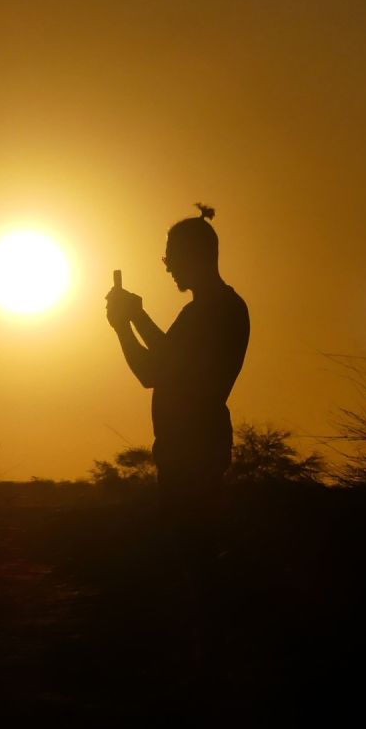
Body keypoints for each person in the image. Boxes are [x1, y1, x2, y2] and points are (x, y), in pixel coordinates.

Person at [106, 203, 250, 564]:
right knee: (195, 552)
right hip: (197, 446)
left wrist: (123, 326)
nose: (167, 266)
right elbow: (168, 358)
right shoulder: (216, 308)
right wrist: (135, 316)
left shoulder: (211, 312)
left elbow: (151, 372)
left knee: (190, 555)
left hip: (192, 451)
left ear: (194, 256)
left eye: (171, 257)